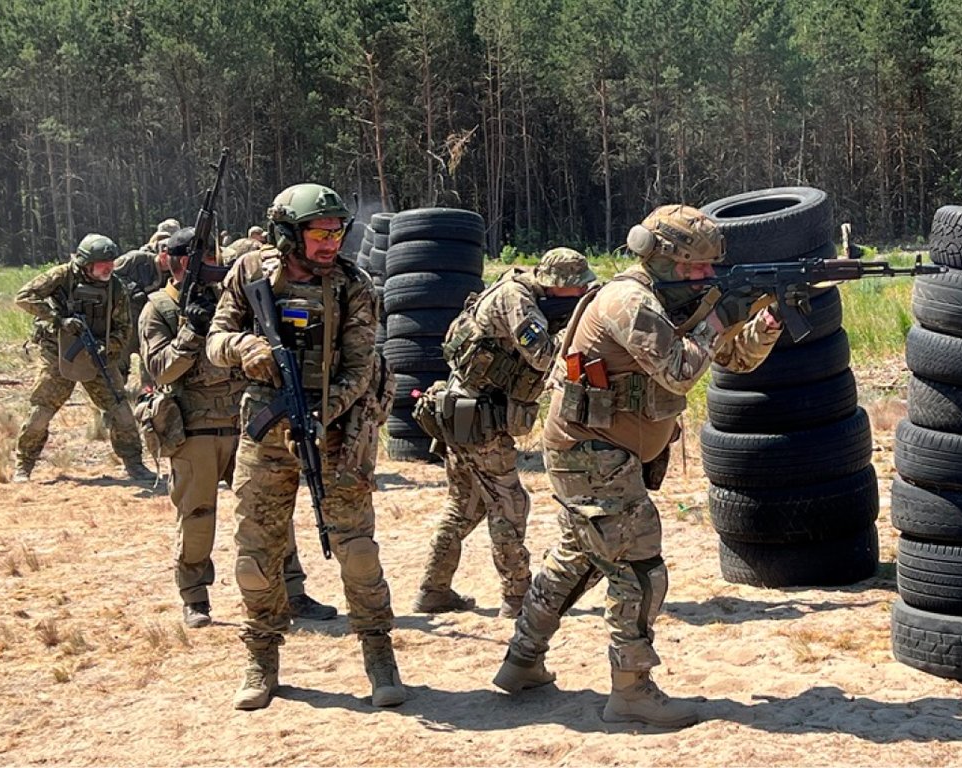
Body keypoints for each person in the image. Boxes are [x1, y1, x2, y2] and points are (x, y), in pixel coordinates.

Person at [491, 205, 783, 728]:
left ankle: (521, 663)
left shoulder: (679, 298)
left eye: (712, 268)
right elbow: (679, 372)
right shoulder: (630, 301)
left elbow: (734, 359)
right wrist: (720, 316)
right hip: (590, 453)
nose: (707, 277)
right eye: (697, 268)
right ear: (664, 258)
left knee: (576, 559)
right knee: (639, 567)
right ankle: (630, 690)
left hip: (602, 453)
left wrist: (762, 325)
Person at [206, 183, 404, 710]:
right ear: (289, 235)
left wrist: (324, 414)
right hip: (265, 441)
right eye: (319, 233)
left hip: (332, 439)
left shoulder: (353, 286)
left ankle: (379, 656)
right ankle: (261, 658)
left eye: (337, 232)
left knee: (357, 553)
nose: (330, 243)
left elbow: (362, 368)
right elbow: (214, 340)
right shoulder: (249, 276)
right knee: (256, 555)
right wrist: (246, 346)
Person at [139, 227, 338, 629]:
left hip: (247, 424)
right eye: (203, 261)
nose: (212, 268)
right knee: (197, 518)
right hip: (195, 429)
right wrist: (191, 333)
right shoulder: (158, 309)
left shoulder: (229, 301)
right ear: (177, 263)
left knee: (271, 510)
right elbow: (160, 371)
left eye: (215, 260)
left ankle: (293, 591)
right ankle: (195, 598)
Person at [412, 248, 596, 619]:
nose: (579, 295)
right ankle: (517, 596)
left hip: (462, 411)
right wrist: (580, 333)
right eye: (576, 290)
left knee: (464, 508)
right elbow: (543, 356)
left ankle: (433, 590)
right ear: (556, 285)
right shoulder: (517, 298)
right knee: (510, 505)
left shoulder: (526, 293)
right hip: (478, 417)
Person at [12, 234, 154, 484]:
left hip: (97, 356)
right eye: (103, 263)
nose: (109, 267)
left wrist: (105, 347)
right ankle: (24, 464)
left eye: (111, 262)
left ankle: (134, 464)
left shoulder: (116, 288)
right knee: (41, 413)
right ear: (86, 264)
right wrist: (58, 320)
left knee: (121, 412)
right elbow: (24, 297)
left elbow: (124, 329)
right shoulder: (61, 276)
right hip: (58, 355)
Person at [112, 219, 181, 391]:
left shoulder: (174, 273)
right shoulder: (136, 260)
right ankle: (115, 402)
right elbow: (108, 277)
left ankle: (149, 400)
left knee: (151, 368)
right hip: (126, 324)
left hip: (150, 326)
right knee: (117, 367)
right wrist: (131, 289)